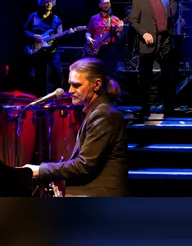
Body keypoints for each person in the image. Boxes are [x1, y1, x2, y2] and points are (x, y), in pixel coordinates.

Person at [22, 57, 129, 197]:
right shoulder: (97, 112)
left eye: (76, 85)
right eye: (70, 85)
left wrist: (39, 170)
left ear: (96, 84)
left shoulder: (104, 115)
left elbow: (84, 165)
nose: (70, 90)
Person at [127, 0, 179, 119]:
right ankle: (145, 108)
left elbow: (173, 16)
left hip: (164, 41)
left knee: (168, 75)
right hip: (148, 42)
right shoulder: (139, 0)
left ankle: (169, 109)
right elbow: (133, 20)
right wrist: (144, 33)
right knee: (146, 76)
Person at [23, 0, 64, 97]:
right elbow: (25, 31)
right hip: (38, 51)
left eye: (51, 2)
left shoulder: (56, 19)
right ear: (41, 3)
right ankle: (39, 98)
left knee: (58, 74)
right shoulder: (33, 16)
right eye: (46, 2)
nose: (49, 4)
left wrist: (55, 38)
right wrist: (33, 36)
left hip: (52, 51)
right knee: (38, 76)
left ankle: (58, 97)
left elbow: (60, 34)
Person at [84, 0, 125, 73]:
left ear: (110, 5)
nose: (106, 5)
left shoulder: (115, 19)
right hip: (96, 48)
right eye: (104, 3)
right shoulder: (94, 18)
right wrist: (88, 38)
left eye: (108, 3)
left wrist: (121, 30)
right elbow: (88, 32)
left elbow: (120, 37)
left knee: (109, 72)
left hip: (110, 48)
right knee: (97, 72)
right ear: (100, 5)